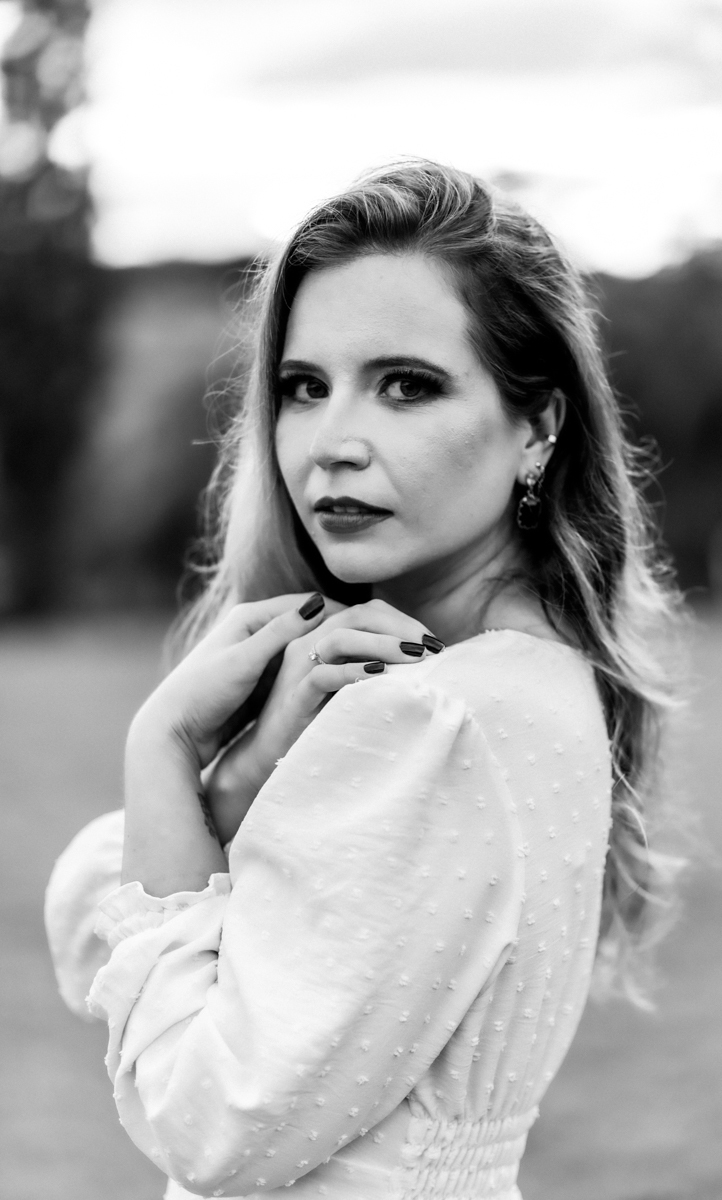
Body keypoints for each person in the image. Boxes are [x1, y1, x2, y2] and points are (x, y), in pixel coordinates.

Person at [45, 159, 684, 1200]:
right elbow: (85, 932)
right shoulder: (530, 688)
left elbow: (204, 1126)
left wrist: (164, 751)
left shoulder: (429, 717)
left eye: (407, 385)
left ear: (537, 428)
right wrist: (244, 778)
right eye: (304, 387)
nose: (332, 445)